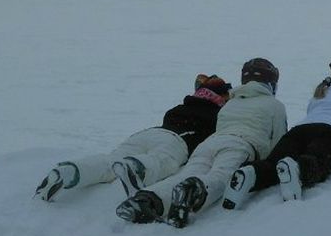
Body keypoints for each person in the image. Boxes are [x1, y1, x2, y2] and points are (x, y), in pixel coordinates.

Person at [117, 57, 287, 227]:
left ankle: (148, 200)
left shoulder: (230, 104)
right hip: (241, 145)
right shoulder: (274, 105)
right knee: (220, 176)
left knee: (185, 174)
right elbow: (279, 144)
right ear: (271, 84)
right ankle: (194, 193)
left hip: (209, 144)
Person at [34, 73, 231, 201]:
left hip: (147, 134)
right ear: (220, 100)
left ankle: (71, 171)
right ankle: (138, 169)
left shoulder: (178, 109)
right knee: (162, 161)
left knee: (111, 160)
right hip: (176, 140)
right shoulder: (216, 116)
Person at [222, 56, 331, 208]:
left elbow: (312, 111)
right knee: (318, 162)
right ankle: (297, 170)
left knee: (272, 164)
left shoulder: (322, 92)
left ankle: (251, 173)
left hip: (300, 131)